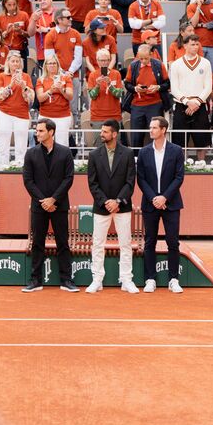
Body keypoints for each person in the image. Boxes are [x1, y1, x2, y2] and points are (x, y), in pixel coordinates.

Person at [22, 117, 78, 293]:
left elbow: (68, 179)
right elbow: (28, 181)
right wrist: (44, 201)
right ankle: (35, 281)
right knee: (37, 243)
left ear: (51, 132)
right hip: (39, 206)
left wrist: (53, 199)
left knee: (63, 243)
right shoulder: (30, 153)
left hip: (59, 206)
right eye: (36, 131)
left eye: (40, 131)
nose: (37, 133)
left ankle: (66, 280)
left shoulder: (65, 152)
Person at [86, 119, 137, 294]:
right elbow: (92, 183)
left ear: (114, 134)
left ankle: (126, 280)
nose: (101, 134)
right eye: (101, 131)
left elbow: (130, 182)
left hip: (122, 206)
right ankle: (97, 279)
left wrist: (118, 201)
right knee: (97, 244)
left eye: (105, 132)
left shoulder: (128, 153)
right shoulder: (94, 155)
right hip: (102, 207)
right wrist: (105, 202)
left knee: (125, 244)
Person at [136, 116, 185, 294]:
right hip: (150, 204)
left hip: (171, 204)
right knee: (150, 241)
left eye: (154, 128)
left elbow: (179, 177)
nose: (151, 130)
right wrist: (154, 198)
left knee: (173, 242)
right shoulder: (143, 152)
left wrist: (164, 197)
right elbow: (140, 178)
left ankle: (173, 279)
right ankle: (150, 279)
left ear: (164, 130)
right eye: (150, 127)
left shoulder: (176, 150)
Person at [170, 33, 212, 160]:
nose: (195, 47)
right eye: (192, 44)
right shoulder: (176, 64)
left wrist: (197, 102)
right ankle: (181, 167)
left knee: (202, 142)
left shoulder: (205, 63)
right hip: (181, 105)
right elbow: (174, 88)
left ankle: (201, 165)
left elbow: (208, 87)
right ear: (185, 46)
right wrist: (187, 102)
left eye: (197, 44)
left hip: (200, 105)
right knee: (180, 143)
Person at [0, 50, 34, 167]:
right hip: (5, 113)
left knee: (21, 146)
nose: (15, 64)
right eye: (13, 61)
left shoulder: (26, 77)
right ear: (8, 62)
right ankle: (2, 168)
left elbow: (31, 99)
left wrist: (23, 86)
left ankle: (20, 169)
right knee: (3, 144)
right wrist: (11, 85)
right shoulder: (1, 76)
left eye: (17, 61)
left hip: (22, 114)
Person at [35, 55, 73, 147]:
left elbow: (70, 96)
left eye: (54, 63)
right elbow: (40, 98)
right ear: (45, 66)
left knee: (62, 144)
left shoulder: (66, 78)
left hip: (63, 116)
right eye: (49, 63)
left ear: (57, 65)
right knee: (44, 143)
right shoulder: (41, 80)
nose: (52, 65)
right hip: (45, 115)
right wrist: (50, 91)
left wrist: (61, 89)